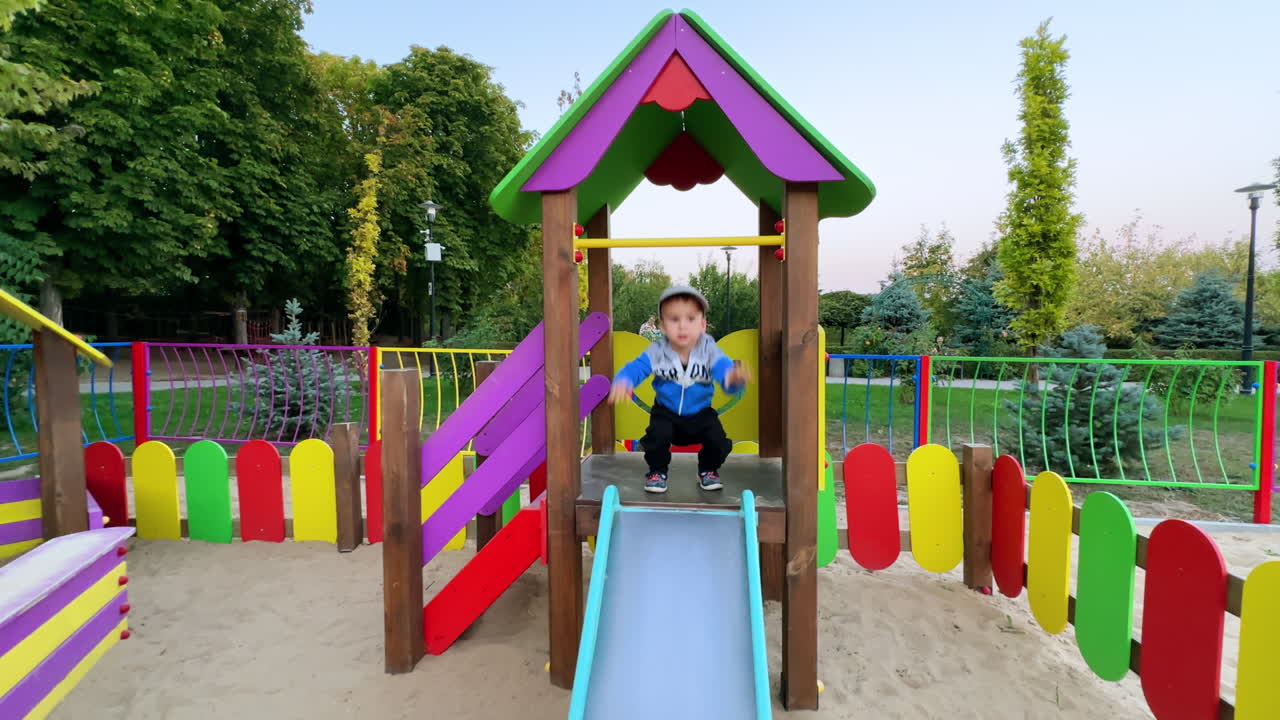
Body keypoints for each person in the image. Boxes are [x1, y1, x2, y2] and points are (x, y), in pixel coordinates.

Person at [608, 286, 750, 493]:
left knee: (717, 440)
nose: (682, 326)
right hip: (666, 413)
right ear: (663, 327)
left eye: (690, 319)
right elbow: (637, 367)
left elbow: (724, 372)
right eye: (674, 319)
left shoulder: (709, 350)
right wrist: (624, 380)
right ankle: (657, 471)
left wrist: (734, 378)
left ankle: (708, 470)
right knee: (657, 436)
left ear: (702, 325)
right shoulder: (657, 351)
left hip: (700, 413)